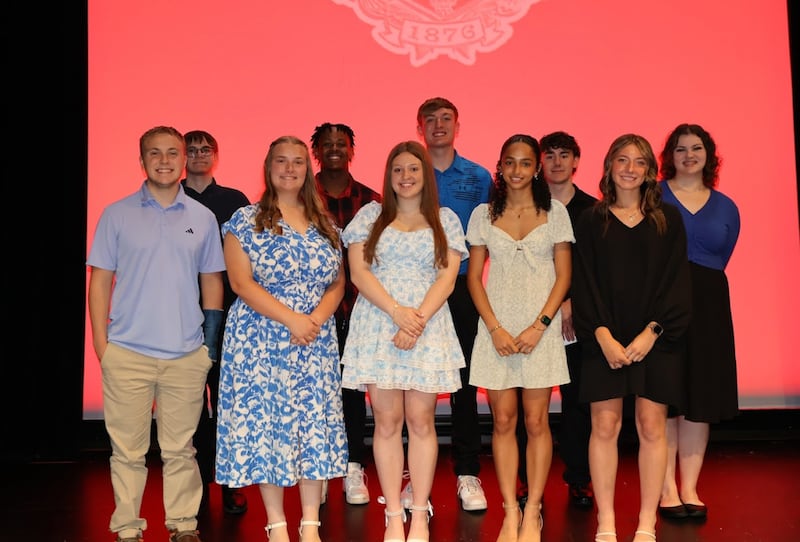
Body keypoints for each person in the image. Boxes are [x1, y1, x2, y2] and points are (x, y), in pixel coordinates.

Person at [87, 125, 225, 542]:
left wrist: (208, 349)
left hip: (186, 355)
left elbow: (212, 282)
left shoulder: (202, 218)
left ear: (184, 160)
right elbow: (99, 282)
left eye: (172, 153)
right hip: (127, 353)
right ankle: (127, 527)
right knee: (127, 451)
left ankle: (183, 524)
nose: (164, 160)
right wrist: (102, 347)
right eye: (154, 153)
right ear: (142, 160)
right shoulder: (116, 214)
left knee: (181, 449)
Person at [214, 135, 347, 542]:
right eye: (281, 161)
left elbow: (338, 283)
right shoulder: (245, 220)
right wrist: (292, 320)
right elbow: (241, 282)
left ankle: (310, 524)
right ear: (268, 168)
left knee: (312, 427)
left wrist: (314, 320)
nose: (290, 169)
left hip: (314, 340)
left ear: (308, 169)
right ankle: (277, 525)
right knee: (268, 427)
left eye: (298, 162)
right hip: (260, 340)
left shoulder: (326, 223)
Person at [340, 141, 467, 542]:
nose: (405, 177)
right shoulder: (370, 216)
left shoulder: (445, 219)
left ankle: (420, 514)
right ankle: (393, 514)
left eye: (413, 169)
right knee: (387, 422)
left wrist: (415, 322)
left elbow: (447, 278)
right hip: (379, 325)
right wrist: (397, 313)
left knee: (422, 421)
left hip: (427, 326)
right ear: (388, 175)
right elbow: (359, 273)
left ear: (425, 174)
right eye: (398, 170)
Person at [571, 134, 692, 542]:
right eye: (622, 160)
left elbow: (676, 282)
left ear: (650, 171)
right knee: (604, 426)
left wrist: (652, 332)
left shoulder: (668, 219)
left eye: (639, 161)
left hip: (656, 338)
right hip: (603, 338)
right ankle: (606, 522)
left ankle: (645, 523)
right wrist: (601, 334)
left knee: (652, 425)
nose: (629, 169)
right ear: (609, 166)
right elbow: (583, 282)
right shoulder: (590, 220)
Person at [466, 134, 573, 542]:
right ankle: (510, 511)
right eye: (509, 162)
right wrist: (494, 328)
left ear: (536, 168)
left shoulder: (555, 212)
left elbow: (563, 277)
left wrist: (539, 326)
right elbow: (474, 279)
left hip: (539, 331)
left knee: (536, 420)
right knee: (503, 420)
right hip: (497, 331)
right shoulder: (483, 214)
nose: (516, 170)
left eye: (525, 163)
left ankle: (533, 511)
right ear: (500, 166)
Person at [656, 124, 740, 521]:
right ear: (669, 157)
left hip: (709, 307)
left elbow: (723, 257)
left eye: (697, 148)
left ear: (709, 155)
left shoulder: (727, 206)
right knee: (665, 397)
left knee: (699, 398)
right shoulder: (653, 196)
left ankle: (689, 486)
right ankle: (666, 489)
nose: (689, 155)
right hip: (662, 304)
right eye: (680, 149)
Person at [414, 96, 493, 512]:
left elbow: (491, 232)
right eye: (431, 119)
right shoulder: (409, 171)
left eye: (446, 118)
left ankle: (467, 472)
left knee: (464, 383)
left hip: (462, 288)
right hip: (415, 291)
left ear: (457, 126)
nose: (439, 125)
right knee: (413, 384)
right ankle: (414, 478)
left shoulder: (479, 177)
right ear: (420, 128)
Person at [311, 122, 382, 506]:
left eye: (342, 143)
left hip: (359, 313)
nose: (335, 149)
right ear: (316, 151)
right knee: (317, 394)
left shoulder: (372, 202)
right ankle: (321, 469)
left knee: (353, 396)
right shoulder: (302, 198)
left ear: (352, 150)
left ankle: (353, 467)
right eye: (327, 144)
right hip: (313, 315)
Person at [181, 129, 251, 516]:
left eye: (205, 149)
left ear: (216, 155)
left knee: (227, 403)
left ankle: (229, 482)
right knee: (190, 406)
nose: (198, 155)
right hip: (180, 316)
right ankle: (196, 482)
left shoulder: (235, 201)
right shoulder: (170, 198)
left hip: (229, 317)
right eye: (191, 150)